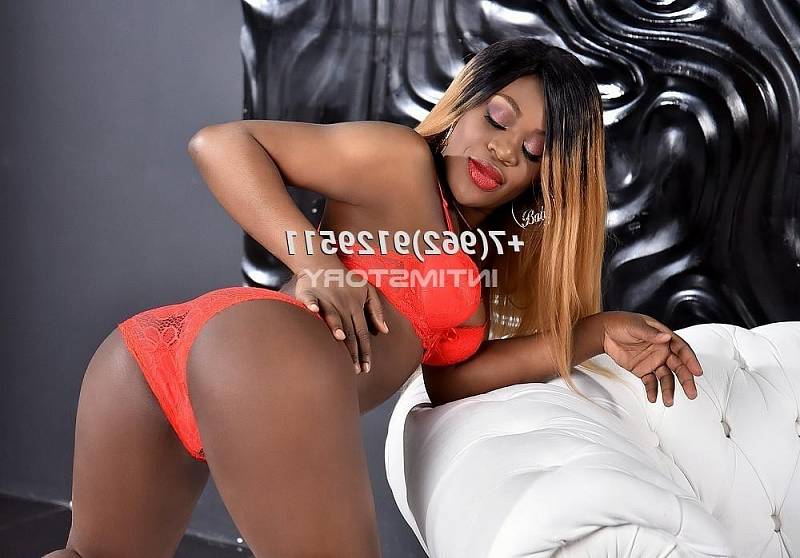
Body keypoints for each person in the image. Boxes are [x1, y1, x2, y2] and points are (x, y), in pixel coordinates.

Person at [45, 37, 703, 558]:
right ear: (463, 106)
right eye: (497, 118)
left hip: (163, 355)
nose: (502, 149)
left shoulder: (474, 261)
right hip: (251, 352)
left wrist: (594, 333)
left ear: (543, 180)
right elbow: (220, 143)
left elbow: (451, 380)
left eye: (532, 152)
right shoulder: (398, 161)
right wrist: (316, 262)